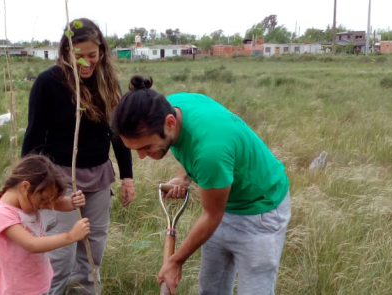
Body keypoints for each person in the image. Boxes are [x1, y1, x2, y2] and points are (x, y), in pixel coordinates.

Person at [111, 76, 292, 295]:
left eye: (147, 147)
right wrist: (184, 177)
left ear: (169, 123)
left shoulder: (210, 152)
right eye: (135, 150)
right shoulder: (171, 107)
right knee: (211, 288)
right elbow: (192, 146)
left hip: (260, 211)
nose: (141, 157)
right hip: (223, 203)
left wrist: (175, 261)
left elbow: (211, 215)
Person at [21, 18, 135, 295]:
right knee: (60, 255)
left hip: (99, 177)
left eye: (92, 55)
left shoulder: (107, 82)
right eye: (78, 55)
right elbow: (34, 136)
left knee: (92, 251)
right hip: (59, 179)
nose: (86, 62)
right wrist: (28, 184)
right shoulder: (48, 83)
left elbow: (117, 134)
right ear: (65, 52)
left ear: (102, 52)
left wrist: (127, 177)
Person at [0, 154, 90, 295]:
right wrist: (71, 236)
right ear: (25, 186)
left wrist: (73, 202)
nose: (46, 206)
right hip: (17, 290)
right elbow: (31, 244)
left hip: (37, 283)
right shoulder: (2, 213)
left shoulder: (27, 200)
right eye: (43, 200)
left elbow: (55, 203)